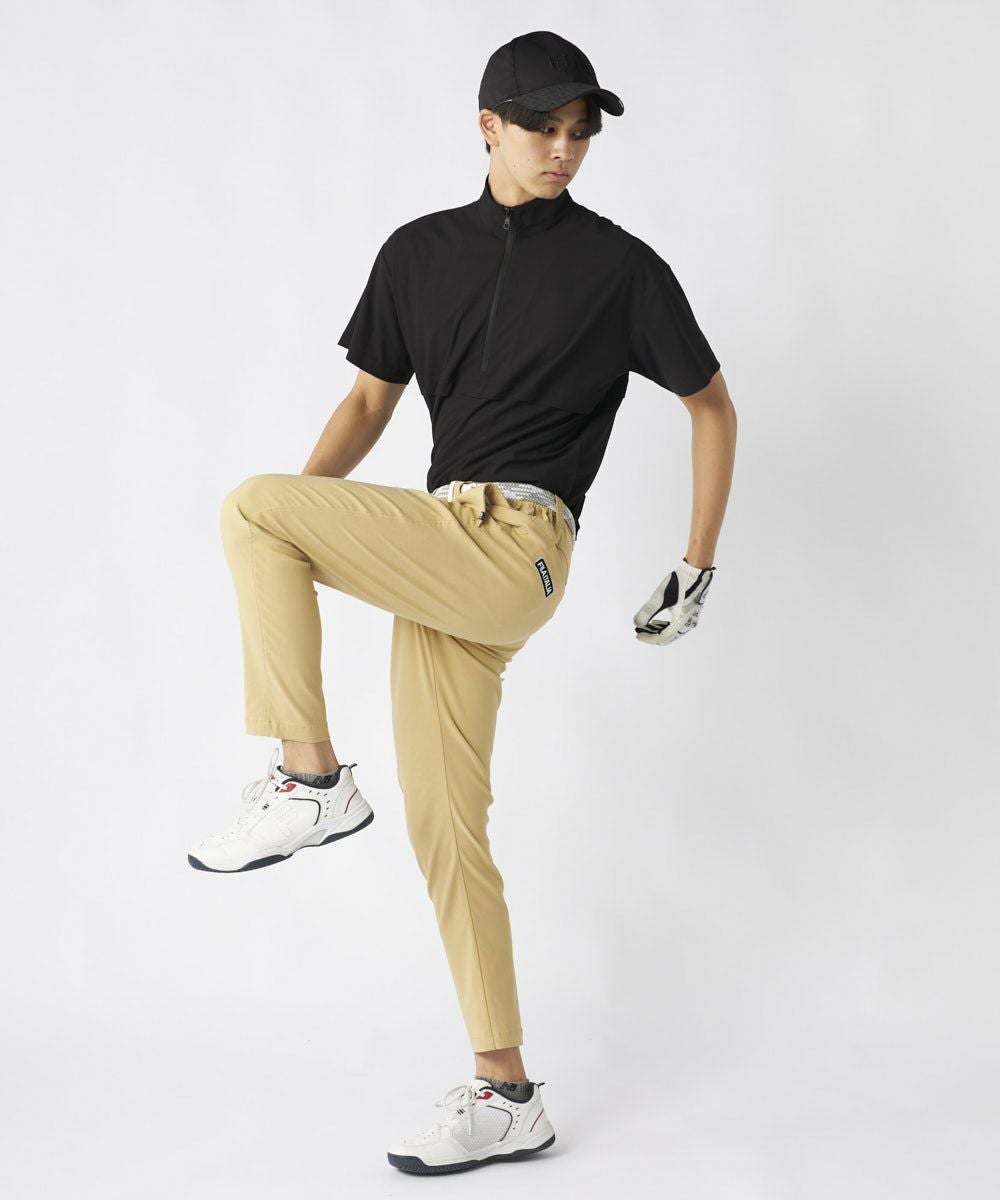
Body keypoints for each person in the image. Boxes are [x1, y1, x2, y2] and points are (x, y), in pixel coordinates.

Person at [187, 29, 736, 1175]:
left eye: (579, 131)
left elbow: (710, 405)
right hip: (439, 550)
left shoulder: (620, 268)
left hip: (518, 545)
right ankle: (507, 1092)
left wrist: (697, 562)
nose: (563, 147)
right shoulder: (417, 254)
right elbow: (365, 407)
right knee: (444, 828)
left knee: (251, 506)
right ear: (487, 125)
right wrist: (302, 537)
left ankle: (310, 780)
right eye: (542, 125)